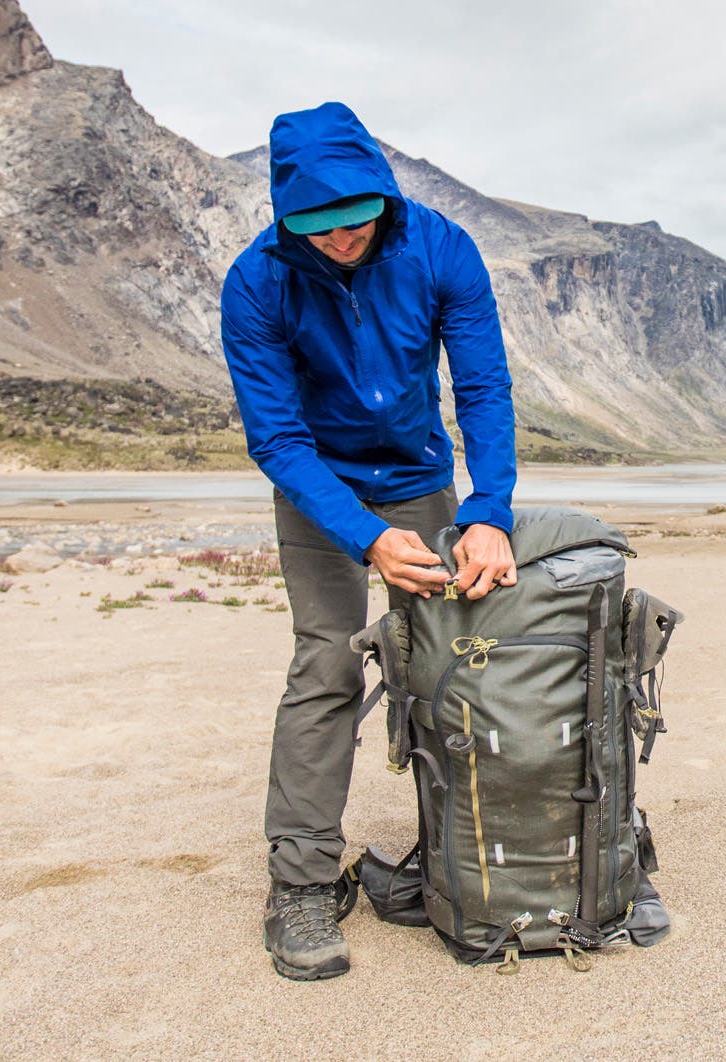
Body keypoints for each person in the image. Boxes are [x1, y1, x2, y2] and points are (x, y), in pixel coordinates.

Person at [219, 101, 520, 981]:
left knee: (452, 666)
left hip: (421, 478)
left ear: (382, 196)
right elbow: (277, 438)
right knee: (326, 664)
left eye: (355, 219)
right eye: (319, 226)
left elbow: (482, 386)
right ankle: (302, 883)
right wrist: (364, 535)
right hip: (320, 487)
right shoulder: (257, 281)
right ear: (287, 216)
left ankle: (450, 859)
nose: (342, 239)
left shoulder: (441, 249)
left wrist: (489, 511)